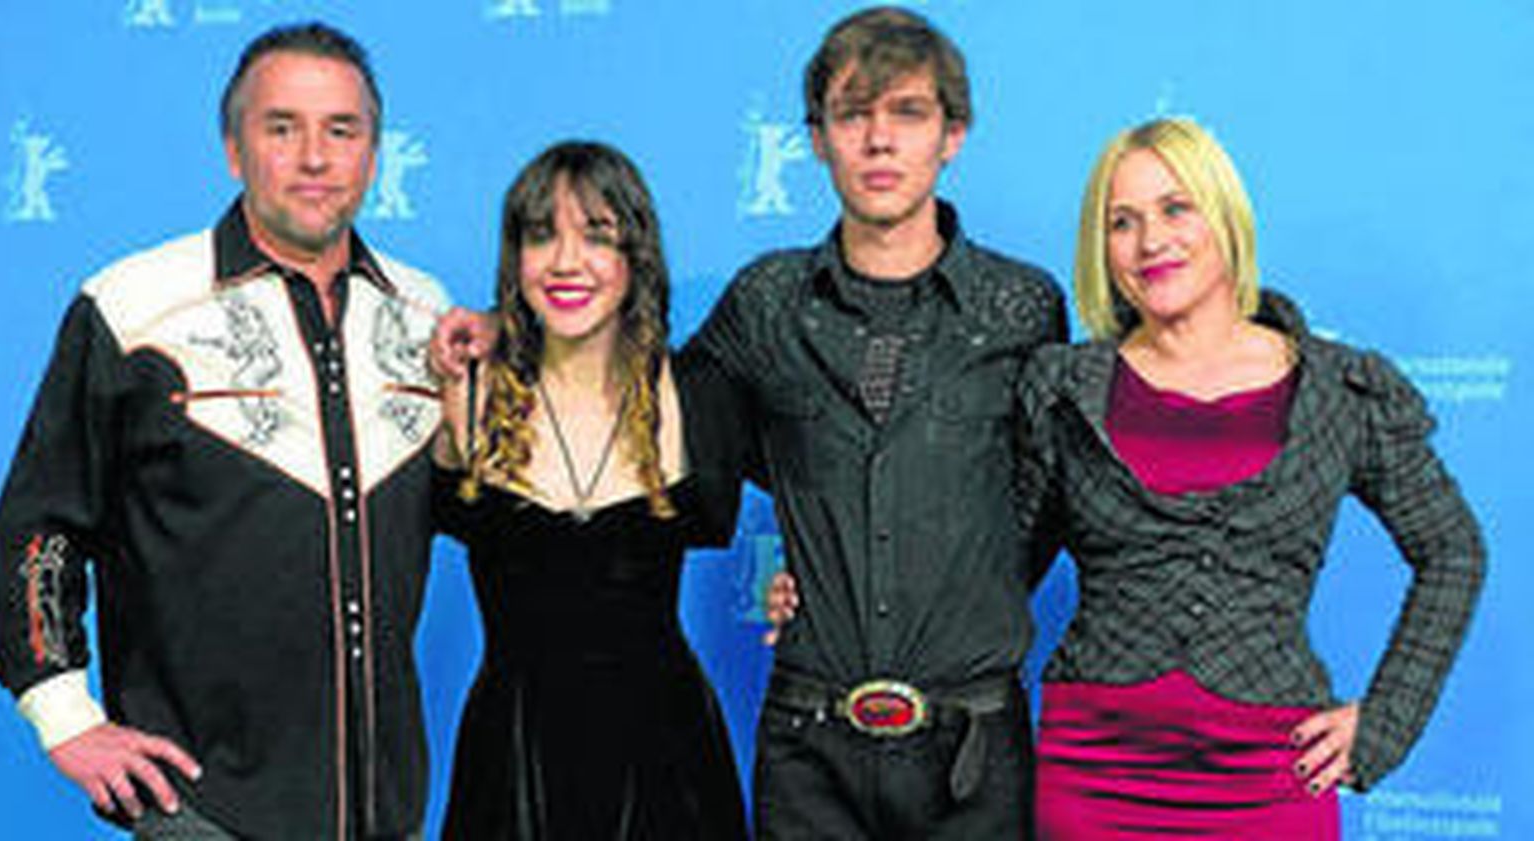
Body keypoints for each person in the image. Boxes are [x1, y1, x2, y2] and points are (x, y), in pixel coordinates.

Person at [433, 8, 1064, 836]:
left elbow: (1052, 490)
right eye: (852, 114)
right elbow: (628, 371)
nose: (879, 141)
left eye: (907, 113)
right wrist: (503, 322)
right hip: (810, 746)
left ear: (953, 134)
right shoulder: (765, 305)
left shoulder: (1025, 306)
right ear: (815, 137)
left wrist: (937, 592)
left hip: (973, 743)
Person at [0, 22, 448, 840]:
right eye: (281, 128)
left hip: (387, 810)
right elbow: (41, 523)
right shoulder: (133, 307)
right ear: (234, 149)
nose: (314, 157)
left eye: (342, 130)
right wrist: (64, 715)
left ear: (374, 152)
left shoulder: (426, 314)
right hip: (202, 810)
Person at [1015, 116, 1486, 838]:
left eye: (1177, 208)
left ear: (1225, 217)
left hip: (1269, 779)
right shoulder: (1064, 389)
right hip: (1093, 773)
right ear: (1100, 247)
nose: (1151, 241)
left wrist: (1387, 720)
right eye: (1122, 222)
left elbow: (1453, 549)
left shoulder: (1342, 389)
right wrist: (825, 592)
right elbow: (989, 572)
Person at [429, 141, 747, 839]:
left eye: (597, 235)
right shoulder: (466, 387)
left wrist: (795, 585)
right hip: (512, 763)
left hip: (668, 757)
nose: (567, 261)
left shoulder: (697, 393)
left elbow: (830, 477)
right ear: (515, 260)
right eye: (542, 235)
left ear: (637, 255)